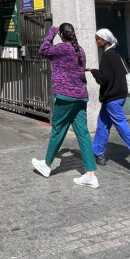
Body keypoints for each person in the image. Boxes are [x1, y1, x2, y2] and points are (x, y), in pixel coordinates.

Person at [32, 23, 99, 188]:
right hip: (81, 96)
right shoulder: (80, 50)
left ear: (61, 34)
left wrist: (51, 33)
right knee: (82, 133)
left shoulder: (60, 49)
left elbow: (42, 50)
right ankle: (90, 173)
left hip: (65, 96)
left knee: (58, 129)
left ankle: (46, 165)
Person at [88, 29, 130, 178]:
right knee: (102, 123)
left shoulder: (107, 55)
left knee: (125, 132)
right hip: (115, 98)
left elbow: (103, 79)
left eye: (97, 39)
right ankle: (98, 153)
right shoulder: (115, 54)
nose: (96, 42)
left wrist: (93, 71)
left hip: (112, 99)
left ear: (104, 41)